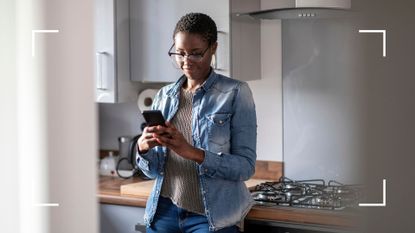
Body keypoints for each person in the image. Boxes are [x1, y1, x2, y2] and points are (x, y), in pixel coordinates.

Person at [136, 12, 257, 233]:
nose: (186, 61)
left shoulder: (235, 92)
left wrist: (192, 152)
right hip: (163, 212)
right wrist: (143, 148)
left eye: (196, 54)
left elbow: (245, 167)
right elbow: (153, 171)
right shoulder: (164, 95)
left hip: (211, 217)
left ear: (213, 48)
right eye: (180, 53)